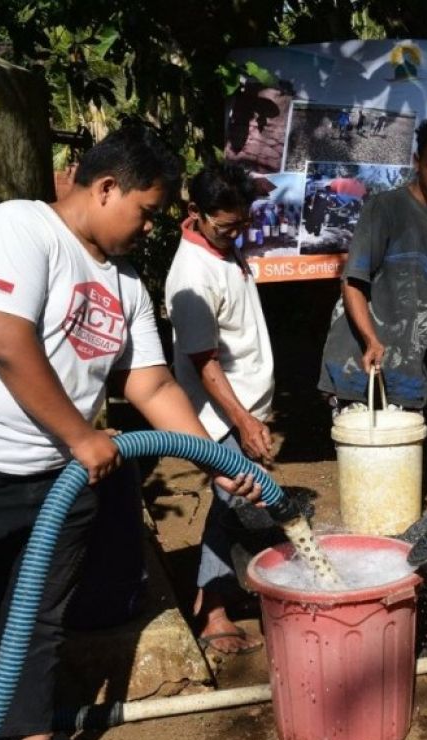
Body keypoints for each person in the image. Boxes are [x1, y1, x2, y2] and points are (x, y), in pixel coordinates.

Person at [0, 125, 261, 740]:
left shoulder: (126, 285)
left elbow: (151, 384)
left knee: (34, 613)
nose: (148, 228)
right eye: (145, 211)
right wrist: (83, 437)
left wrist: (215, 460)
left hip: (54, 473)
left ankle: (26, 734)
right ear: (106, 186)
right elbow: (2, 340)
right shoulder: (19, 230)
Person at [165, 163, 276, 656]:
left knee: (236, 506)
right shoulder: (191, 273)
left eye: (241, 223)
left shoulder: (224, 248)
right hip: (220, 413)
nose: (234, 233)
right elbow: (203, 360)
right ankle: (212, 612)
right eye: (224, 225)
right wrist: (244, 420)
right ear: (195, 214)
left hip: (245, 402)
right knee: (235, 507)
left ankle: (230, 599)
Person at [317, 115, 427, 412]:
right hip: (356, 369)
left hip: (406, 377)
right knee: (362, 457)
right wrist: (371, 341)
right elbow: (352, 284)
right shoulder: (383, 209)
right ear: (417, 161)